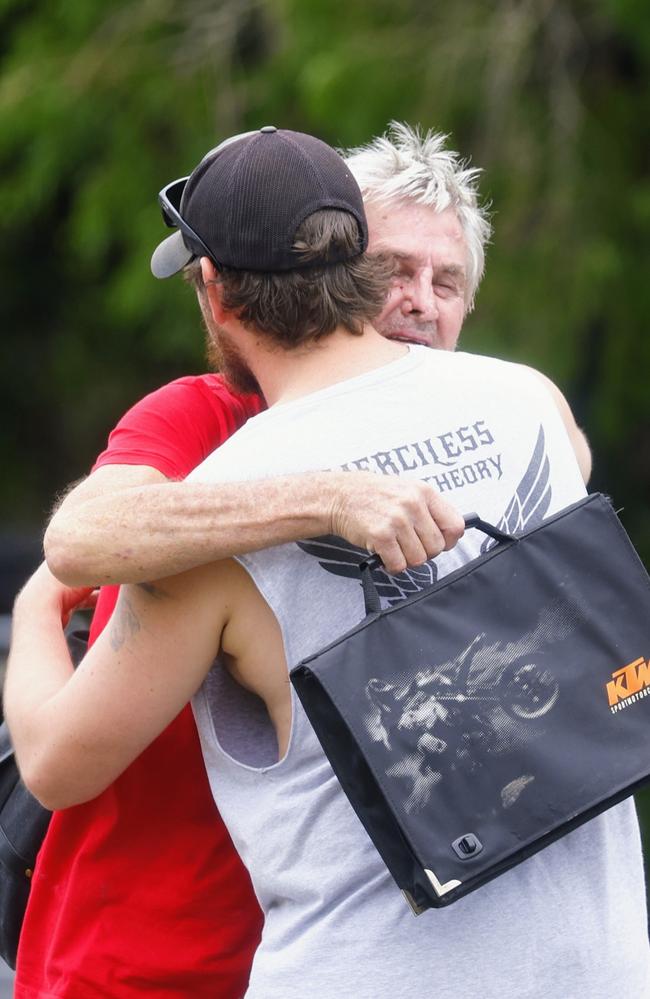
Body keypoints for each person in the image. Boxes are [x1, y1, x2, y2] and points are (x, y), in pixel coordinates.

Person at [7, 128, 647, 999]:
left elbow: (55, 761)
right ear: (362, 264)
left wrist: (41, 617)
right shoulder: (527, 398)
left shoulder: (206, 518)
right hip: (598, 965)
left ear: (215, 290)